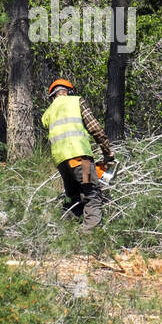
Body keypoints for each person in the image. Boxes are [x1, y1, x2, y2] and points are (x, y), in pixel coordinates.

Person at [40, 78, 114, 230]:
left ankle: (68, 236)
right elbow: (95, 128)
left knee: (73, 198)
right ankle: (90, 237)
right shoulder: (76, 101)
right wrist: (107, 153)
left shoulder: (47, 114)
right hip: (82, 160)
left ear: (52, 96)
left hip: (62, 163)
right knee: (91, 193)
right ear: (69, 91)